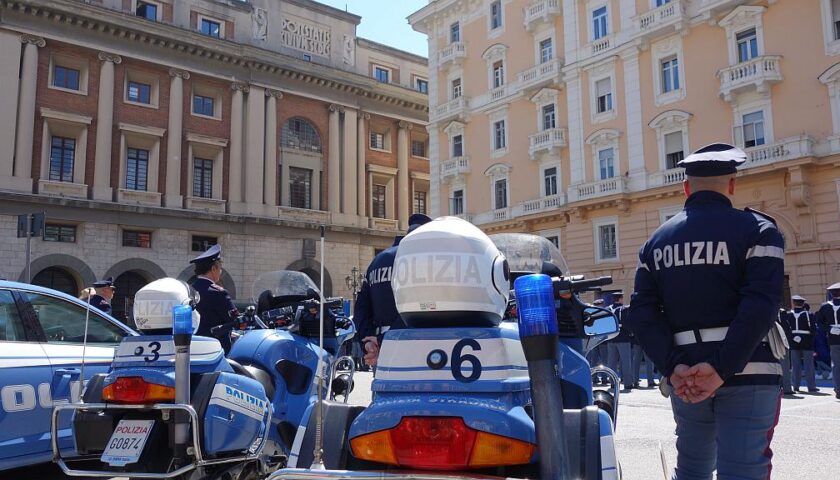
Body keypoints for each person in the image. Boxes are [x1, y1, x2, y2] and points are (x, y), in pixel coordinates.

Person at [628, 143, 786, 480]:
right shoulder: (759, 230)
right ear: (731, 185)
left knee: (691, 471)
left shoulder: (655, 242)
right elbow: (760, 305)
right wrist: (720, 368)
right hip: (750, 371)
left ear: (685, 188)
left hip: (685, 377)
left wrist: (673, 366)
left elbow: (641, 313)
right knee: (742, 471)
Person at [355, 213, 431, 367]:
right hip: (408, 344)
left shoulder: (378, 260)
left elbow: (361, 307)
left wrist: (369, 343)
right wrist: (384, 340)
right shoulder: (417, 259)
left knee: (381, 389)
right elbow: (417, 306)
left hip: (376, 348)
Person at [190, 244, 239, 352]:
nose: (220, 272)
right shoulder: (218, 293)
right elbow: (236, 320)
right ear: (213, 268)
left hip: (193, 348)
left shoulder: (189, 290)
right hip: (216, 350)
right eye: (220, 268)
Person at [782, 295, 818, 393]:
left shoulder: (788, 314)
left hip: (793, 340)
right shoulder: (808, 314)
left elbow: (786, 328)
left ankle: (796, 386)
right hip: (806, 340)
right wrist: (811, 338)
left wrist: (792, 337)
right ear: (803, 304)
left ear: (794, 303)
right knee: (809, 365)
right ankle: (811, 386)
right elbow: (813, 329)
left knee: (795, 364)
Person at [815, 281, 840, 399]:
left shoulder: (825, 306)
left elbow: (819, 322)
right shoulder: (825, 306)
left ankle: (838, 389)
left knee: (836, 364)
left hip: (833, 338)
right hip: (834, 337)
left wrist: (829, 328)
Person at [606, 291, 635, 390]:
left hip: (611, 338)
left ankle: (612, 383)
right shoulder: (624, 309)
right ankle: (627, 383)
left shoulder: (608, 309)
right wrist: (630, 333)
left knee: (611, 362)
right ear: (620, 298)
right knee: (626, 362)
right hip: (623, 338)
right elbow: (628, 323)